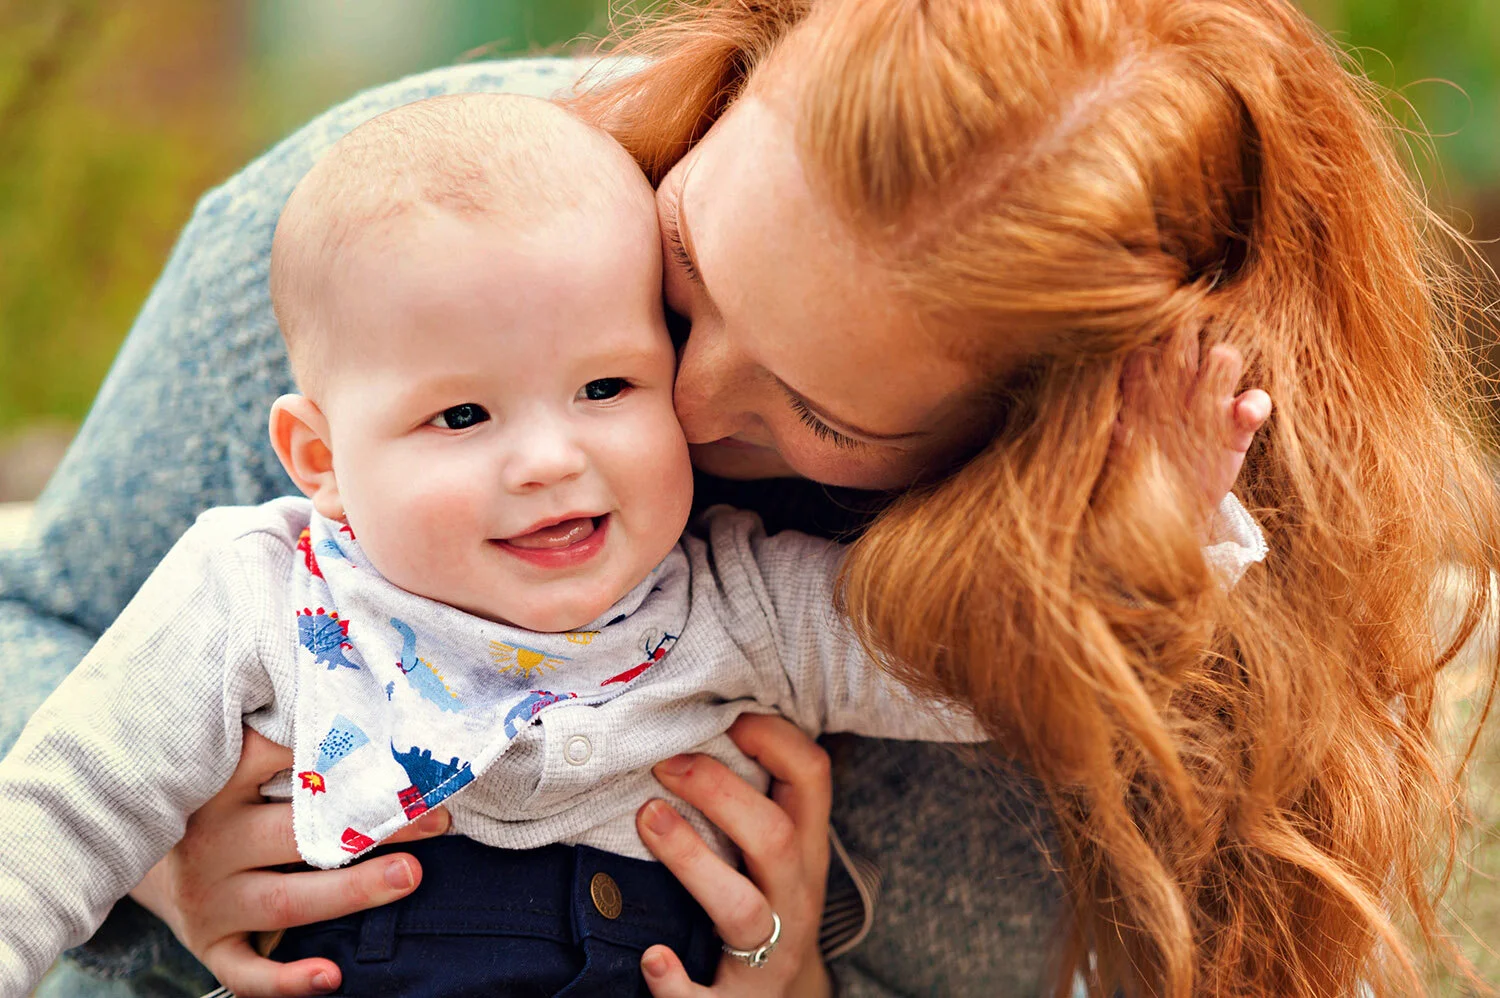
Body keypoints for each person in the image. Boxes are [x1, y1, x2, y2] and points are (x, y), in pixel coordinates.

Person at [7, 0, 1494, 995]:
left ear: (1019, 461)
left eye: (819, 408)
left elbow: (983, 676)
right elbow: (45, 648)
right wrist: (162, 846)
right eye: (691, 273)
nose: (684, 405)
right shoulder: (403, 246)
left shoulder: (739, 602)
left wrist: (1146, 561)